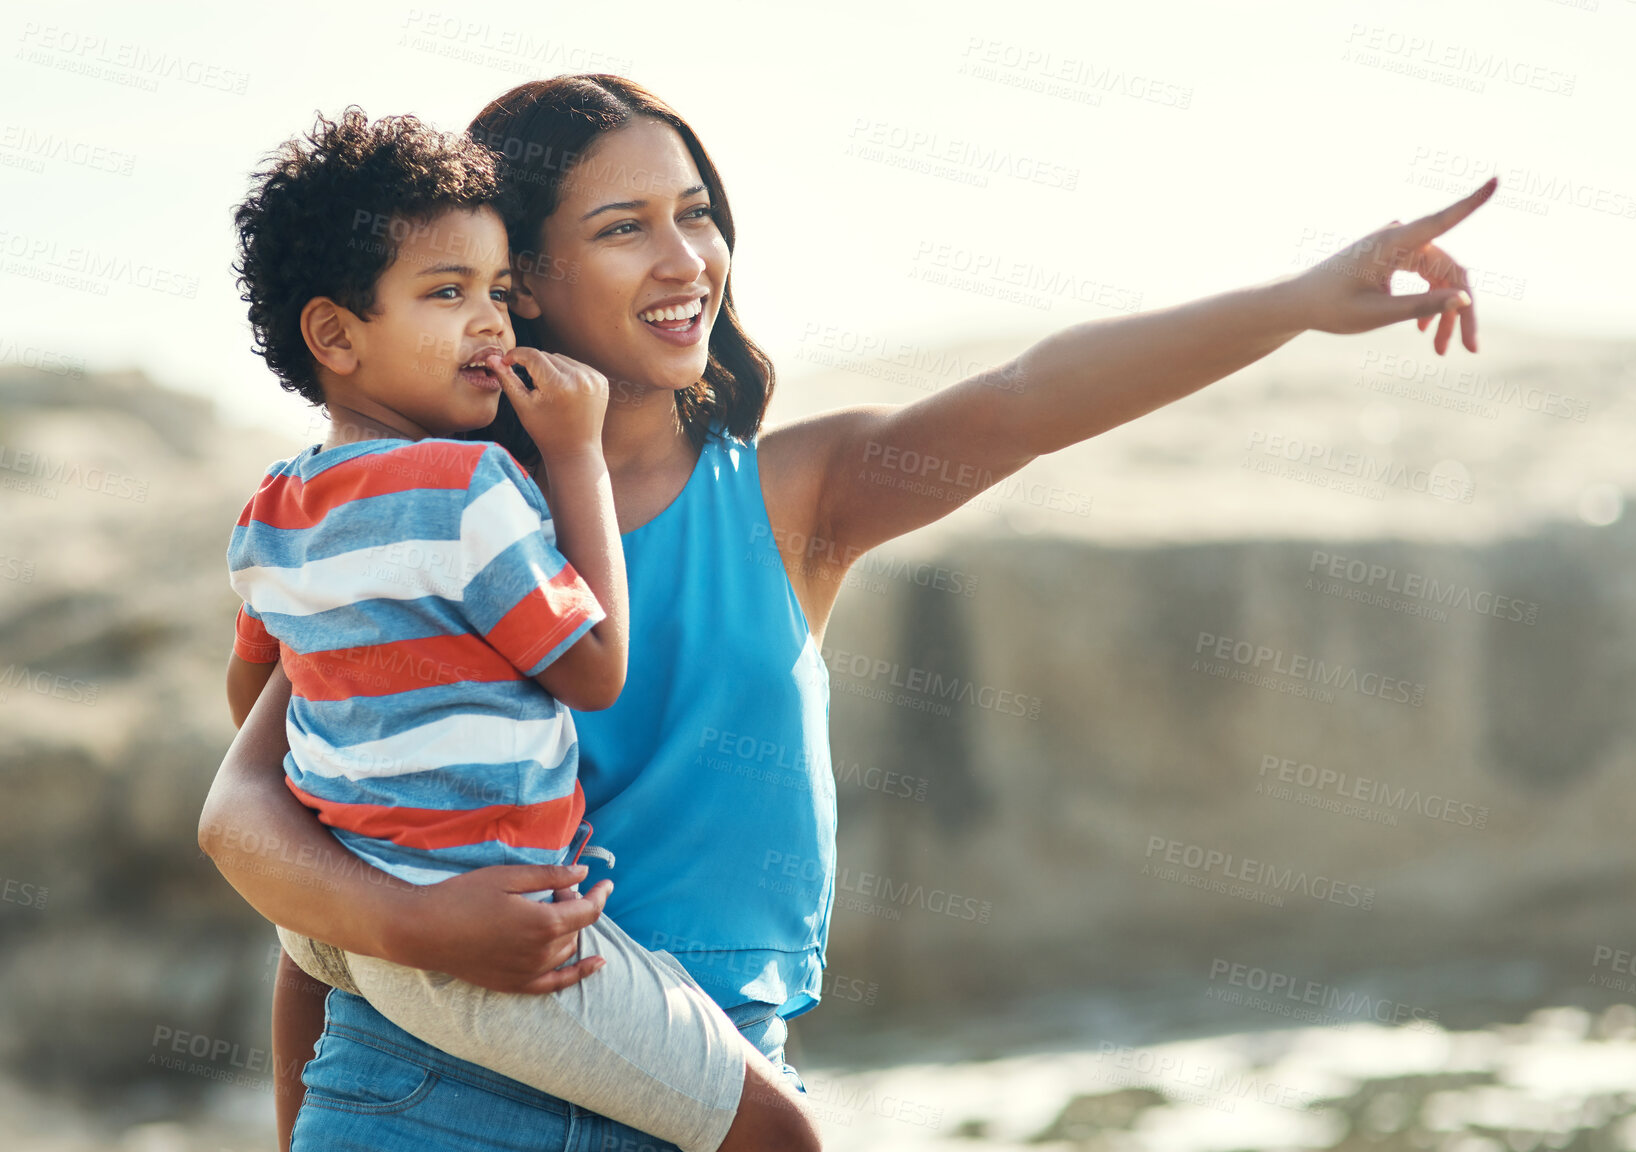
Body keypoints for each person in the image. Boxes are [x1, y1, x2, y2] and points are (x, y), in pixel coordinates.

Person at [199, 73, 1495, 1152]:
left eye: (695, 213)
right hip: (425, 1103)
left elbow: (1027, 396)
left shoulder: (790, 498)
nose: (684, 259)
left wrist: (1297, 300)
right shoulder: (429, 525)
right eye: (623, 226)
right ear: (518, 279)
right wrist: (390, 966)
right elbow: (270, 841)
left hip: (710, 1103)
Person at [216, 105, 818, 1152]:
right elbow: (593, 670)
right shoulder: (472, 484)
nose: (491, 322)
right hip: (500, 929)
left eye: (497, 291)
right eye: (450, 295)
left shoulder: (270, 509)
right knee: (783, 1136)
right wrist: (574, 456)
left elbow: (254, 702)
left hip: (345, 921)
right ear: (334, 334)